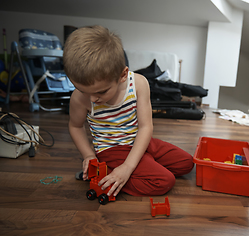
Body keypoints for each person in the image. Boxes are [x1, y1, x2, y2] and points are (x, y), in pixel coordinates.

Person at [63, 25, 194, 198]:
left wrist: (128, 167)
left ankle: (136, 165)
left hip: (141, 140)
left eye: (101, 92)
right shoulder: (80, 99)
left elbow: (145, 127)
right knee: (165, 181)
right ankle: (105, 176)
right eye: (82, 90)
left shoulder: (139, 84)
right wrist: (88, 155)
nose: (92, 99)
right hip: (112, 149)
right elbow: (75, 126)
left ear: (123, 75)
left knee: (187, 163)